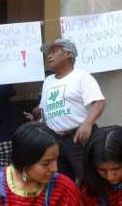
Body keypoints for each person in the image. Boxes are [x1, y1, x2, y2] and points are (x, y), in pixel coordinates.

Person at [31, 38, 105, 184]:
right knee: (61, 181)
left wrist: (87, 124)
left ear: (69, 54)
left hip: (78, 138)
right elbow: (43, 108)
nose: (49, 56)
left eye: (54, 51)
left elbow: (99, 102)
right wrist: (37, 113)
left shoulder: (81, 76)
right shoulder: (48, 81)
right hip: (55, 140)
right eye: (48, 53)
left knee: (88, 179)